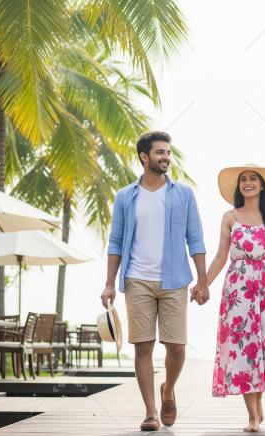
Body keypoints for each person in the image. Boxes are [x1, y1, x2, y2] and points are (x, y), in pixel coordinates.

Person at [100, 131, 209, 432]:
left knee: (177, 347)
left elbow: (195, 238)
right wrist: (110, 283)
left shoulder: (183, 194)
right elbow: (116, 241)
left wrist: (202, 280)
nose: (166, 158)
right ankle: (151, 412)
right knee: (143, 346)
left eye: (168, 153)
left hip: (175, 280)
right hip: (137, 280)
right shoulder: (125, 197)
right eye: (160, 153)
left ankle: (168, 389)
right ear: (144, 157)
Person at [206, 164, 265, 432]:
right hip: (238, 287)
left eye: (253, 178)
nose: (247, 182)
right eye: (243, 179)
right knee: (243, 348)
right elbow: (221, 256)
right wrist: (203, 284)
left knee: (264, 347)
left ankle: (258, 406)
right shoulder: (230, 217)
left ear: (263, 185)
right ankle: (253, 415)